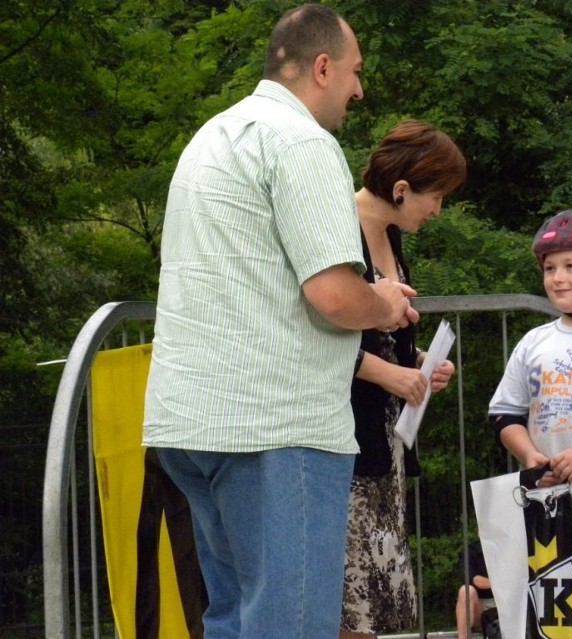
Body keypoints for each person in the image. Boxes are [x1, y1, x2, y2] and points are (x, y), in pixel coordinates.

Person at [142, 5, 418, 638]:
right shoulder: (303, 143)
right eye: (354, 72)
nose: (359, 89)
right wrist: (386, 303)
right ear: (322, 68)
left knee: (234, 618)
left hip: (191, 423)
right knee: (290, 626)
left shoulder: (213, 135)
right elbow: (334, 295)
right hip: (275, 428)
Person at [340, 120, 466, 639]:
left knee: (384, 596)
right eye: (435, 196)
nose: (438, 210)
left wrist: (418, 367)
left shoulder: (389, 234)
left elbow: (380, 336)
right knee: (352, 600)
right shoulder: (335, 230)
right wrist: (388, 374)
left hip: (383, 443)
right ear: (400, 189)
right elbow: (307, 336)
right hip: (340, 439)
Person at [488, 209, 572, 486]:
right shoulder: (534, 341)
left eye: (570, 266)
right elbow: (506, 413)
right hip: (551, 494)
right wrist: (530, 455)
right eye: (550, 268)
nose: (557, 277)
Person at [455, 540, 498, 639]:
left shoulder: (509, 549)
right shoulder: (470, 551)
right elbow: (475, 580)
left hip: (505, 603)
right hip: (480, 606)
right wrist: (502, 584)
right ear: (478, 533)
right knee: (465, 591)